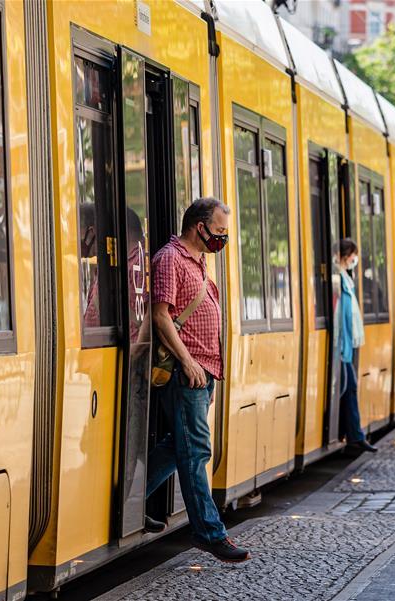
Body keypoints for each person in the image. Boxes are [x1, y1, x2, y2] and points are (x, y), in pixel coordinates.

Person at [144, 197, 249, 563]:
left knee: (181, 445)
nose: (223, 238)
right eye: (219, 231)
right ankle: (209, 533)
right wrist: (188, 362)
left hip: (202, 372)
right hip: (185, 372)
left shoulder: (198, 261)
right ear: (199, 227)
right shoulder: (170, 259)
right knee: (196, 451)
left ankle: (129, 501)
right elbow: (161, 316)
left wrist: (208, 370)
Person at [335, 239, 376, 453]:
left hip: (346, 344)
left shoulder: (344, 277)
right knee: (348, 386)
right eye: (353, 255)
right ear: (346, 254)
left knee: (349, 387)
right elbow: (341, 314)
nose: (355, 259)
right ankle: (354, 436)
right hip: (342, 344)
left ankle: (352, 435)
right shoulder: (338, 277)